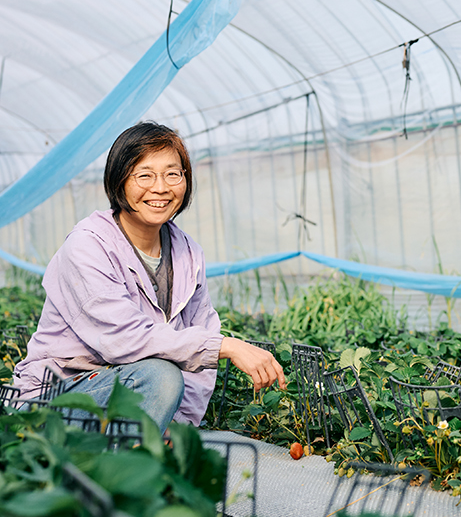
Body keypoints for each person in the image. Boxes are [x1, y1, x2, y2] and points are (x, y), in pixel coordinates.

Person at [13, 122, 285, 432]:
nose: (160, 188)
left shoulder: (187, 254)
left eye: (173, 174)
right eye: (144, 175)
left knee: (163, 376)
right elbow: (125, 339)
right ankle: (119, 454)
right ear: (118, 181)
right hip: (55, 399)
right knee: (161, 375)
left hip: (126, 394)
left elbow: (200, 360)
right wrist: (226, 347)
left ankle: (139, 445)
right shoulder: (88, 246)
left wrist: (178, 426)